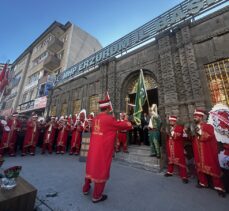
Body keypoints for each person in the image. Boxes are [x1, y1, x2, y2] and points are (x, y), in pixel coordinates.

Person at [82, 96, 132, 203]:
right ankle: (97, 196)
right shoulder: (110, 119)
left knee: (91, 167)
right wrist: (127, 120)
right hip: (103, 150)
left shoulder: (95, 118)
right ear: (108, 108)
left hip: (93, 149)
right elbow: (125, 126)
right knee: (101, 170)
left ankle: (86, 188)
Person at [192, 109, 226, 197]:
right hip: (198, 151)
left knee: (213, 168)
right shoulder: (194, 127)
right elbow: (192, 138)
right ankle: (203, 183)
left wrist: (198, 131)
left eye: (196, 117)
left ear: (201, 117)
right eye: (194, 117)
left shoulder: (208, 126)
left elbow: (207, 136)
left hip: (207, 152)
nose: (194, 118)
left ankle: (219, 187)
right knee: (199, 167)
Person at [164, 115, 189, 184]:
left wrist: (172, 132)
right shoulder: (169, 128)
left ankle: (184, 176)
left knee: (181, 160)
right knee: (170, 159)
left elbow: (178, 136)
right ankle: (170, 172)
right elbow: (167, 136)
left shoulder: (179, 127)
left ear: (175, 121)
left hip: (177, 146)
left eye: (172, 121)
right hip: (170, 145)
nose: (171, 122)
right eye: (170, 121)